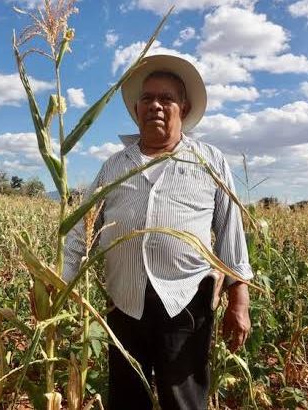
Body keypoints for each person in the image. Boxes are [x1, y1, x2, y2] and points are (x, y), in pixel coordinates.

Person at [62, 54, 253, 410]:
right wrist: (58, 282)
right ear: (136, 109)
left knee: (183, 400)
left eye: (166, 99)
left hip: (185, 304)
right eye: (147, 99)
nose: (156, 106)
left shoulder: (208, 161)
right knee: (127, 398)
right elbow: (81, 233)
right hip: (125, 302)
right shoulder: (115, 165)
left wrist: (239, 301)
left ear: (185, 106)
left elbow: (230, 231)